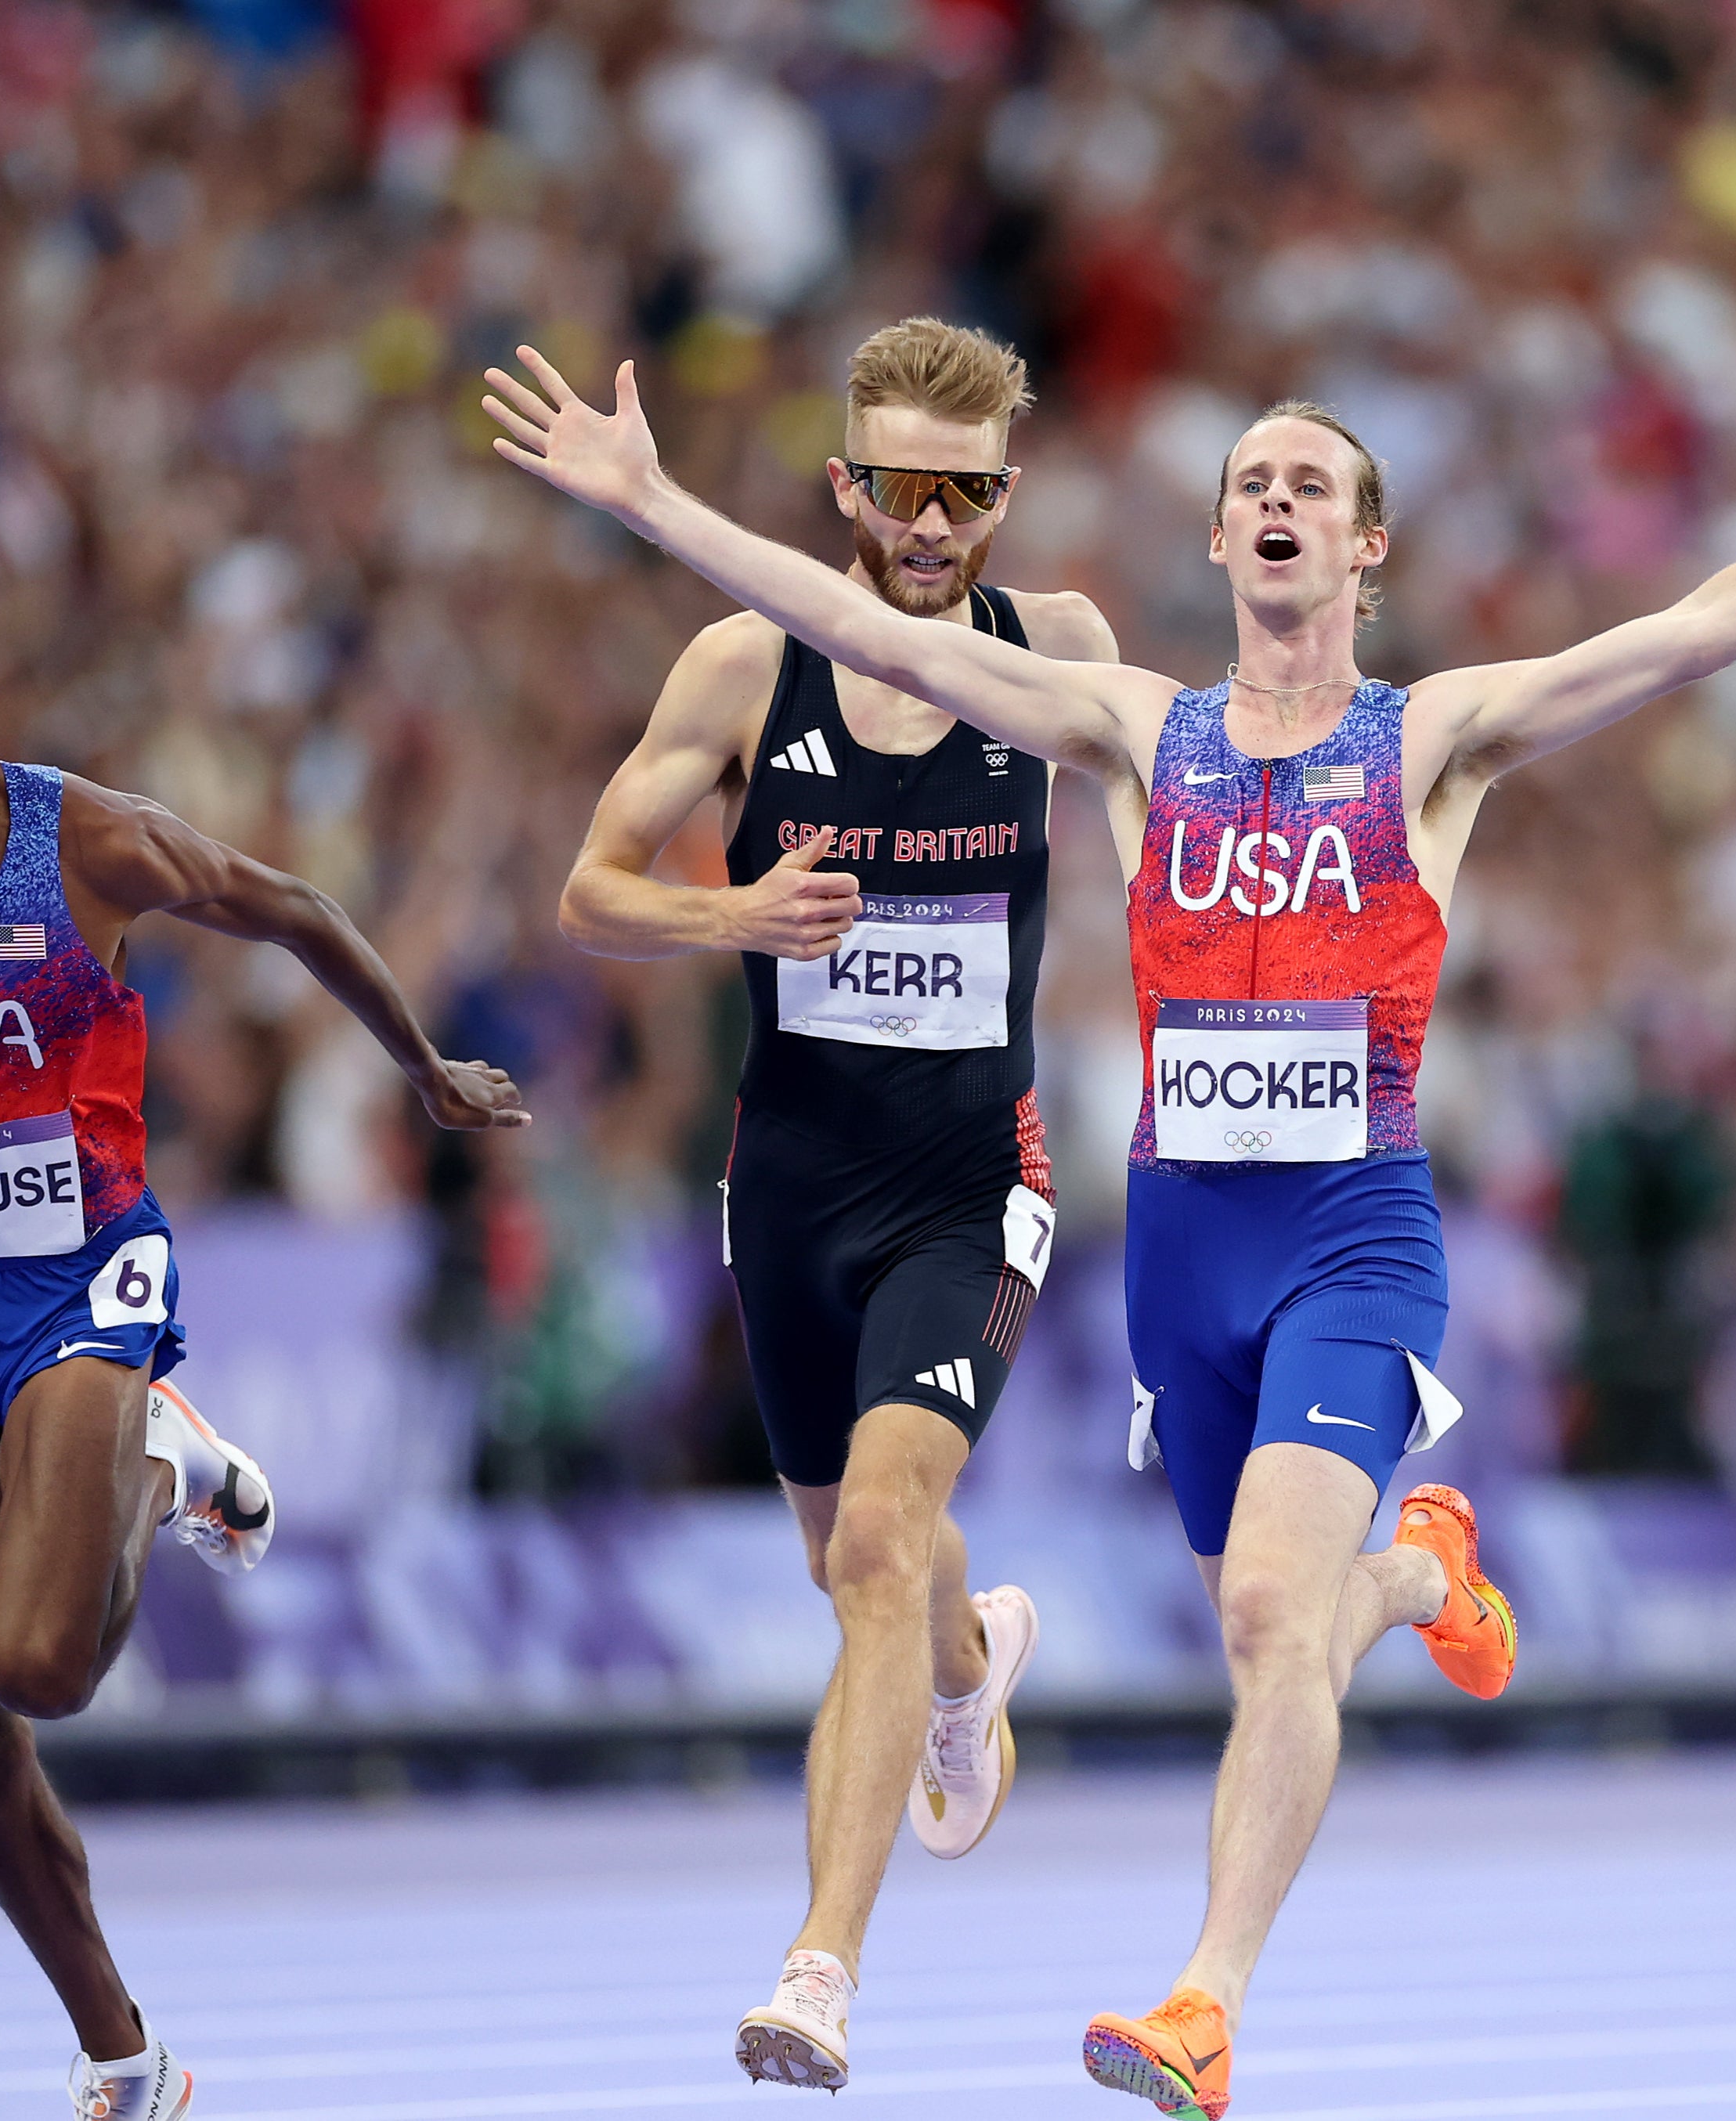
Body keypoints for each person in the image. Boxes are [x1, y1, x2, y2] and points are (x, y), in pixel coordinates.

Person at [486, 337, 1736, 2119]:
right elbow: (869, 633)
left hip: (1352, 1231)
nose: (1273, 500)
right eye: (1250, 479)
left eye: (1309, 484)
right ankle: (1421, 1568)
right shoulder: (1131, 731)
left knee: (1264, 1612)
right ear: (1220, 534)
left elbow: (1698, 627)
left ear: (1366, 548)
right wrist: (652, 504)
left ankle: (1204, 2001)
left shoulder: (1437, 740)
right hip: (1184, 1249)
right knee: (1292, 1622)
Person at [0, 554, 529, 2121]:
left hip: (74, 1276)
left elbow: (298, 909)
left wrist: (422, 1065)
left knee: (41, 1666)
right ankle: (127, 2056)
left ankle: (156, 1446)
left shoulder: (89, 844)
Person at [550, 319, 1120, 2090]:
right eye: (898, 487)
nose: (931, 523)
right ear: (842, 486)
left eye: (965, 492)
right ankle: (971, 1662)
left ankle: (820, 1969)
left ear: (1005, 495)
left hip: (974, 1180)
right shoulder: (743, 665)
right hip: (791, 1183)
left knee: (876, 1540)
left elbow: (1199, 797)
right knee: (848, 1555)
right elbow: (590, 892)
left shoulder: (1063, 651)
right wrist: (739, 919)